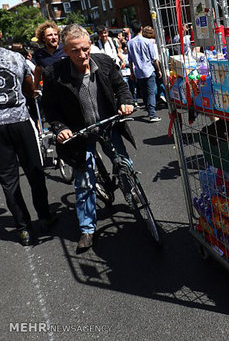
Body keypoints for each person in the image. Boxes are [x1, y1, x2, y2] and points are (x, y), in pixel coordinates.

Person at [41, 24, 135, 252]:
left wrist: (126, 101)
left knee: (124, 163)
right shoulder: (53, 74)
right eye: (75, 50)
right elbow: (50, 109)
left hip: (107, 123)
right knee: (84, 183)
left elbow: (121, 86)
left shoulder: (103, 62)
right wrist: (60, 127)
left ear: (90, 45)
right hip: (79, 133)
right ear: (65, 49)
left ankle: (131, 192)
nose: (82, 55)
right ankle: (87, 228)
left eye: (85, 48)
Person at [0, 47, 57, 246]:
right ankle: (44, 216)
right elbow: (28, 88)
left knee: (8, 180)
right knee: (34, 170)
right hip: (19, 120)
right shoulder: (14, 57)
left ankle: (23, 228)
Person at [127, 22, 162, 122]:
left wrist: (132, 72)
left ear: (132, 30)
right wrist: (158, 70)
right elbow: (154, 58)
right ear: (141, 28)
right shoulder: (147, 41)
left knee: (143, 92)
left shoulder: (130, 43)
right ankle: (152, 114)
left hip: (138, 71)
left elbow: (130, 60)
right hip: (149, 69)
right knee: (151, 92)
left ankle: (148, 109)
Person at [32, 21, 66, 88]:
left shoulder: (66, 49)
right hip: (50, 91)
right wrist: (35, 86)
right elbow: (38, 70)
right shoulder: (39, 54)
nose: (54, 37)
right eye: (50, 35)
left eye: (56, 34)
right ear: (43, 38)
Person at [142, 25, 167, 105]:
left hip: (148, 64)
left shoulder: (143, 41)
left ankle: (155, 99)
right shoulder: (155, 41)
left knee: (153, 82)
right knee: (161, 80)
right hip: (157, 61)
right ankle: (162, 94)